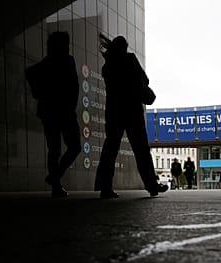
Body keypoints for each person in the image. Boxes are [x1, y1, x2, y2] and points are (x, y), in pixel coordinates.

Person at [94, 36, 168, 198]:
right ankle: (151, 186)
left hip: (114, 111)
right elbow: (145, 80)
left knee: (110, 149)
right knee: (141, 149)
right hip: (132, 110)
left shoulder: (107, 66)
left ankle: (105, 187)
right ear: (124, 48)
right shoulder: (130, 59)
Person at [25, 31, 81, 198]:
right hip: (64, 111)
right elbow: (74, 86)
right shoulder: (67, 60)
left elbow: (29, 72)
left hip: (49, 111)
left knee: (54, 149)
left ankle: (55, 181)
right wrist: (71, 106)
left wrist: (38, 92)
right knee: (74, 147)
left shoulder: (47, 63)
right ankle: (55, 178)